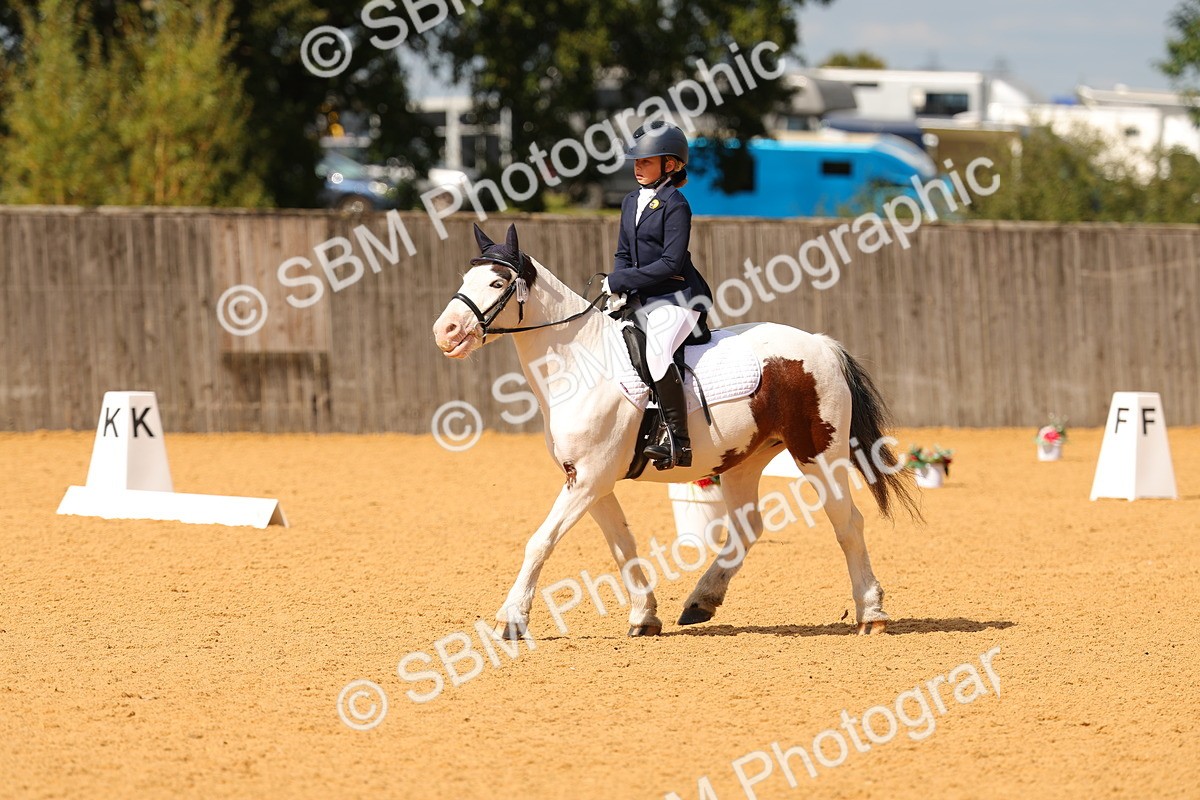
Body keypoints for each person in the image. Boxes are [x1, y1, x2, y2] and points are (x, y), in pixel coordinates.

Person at [603, 121, 713, 470]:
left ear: (671, 164)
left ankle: (678, 442)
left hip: (678, 296)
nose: (637, 166)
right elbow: (624, 252)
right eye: (636, 160)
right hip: (642, 295)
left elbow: (669, 263)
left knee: (657, 350)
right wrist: (618, 284)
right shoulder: (631, 200)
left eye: (646, 161)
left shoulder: (675, 204)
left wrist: (624, 280)